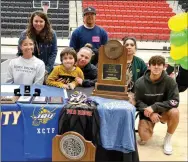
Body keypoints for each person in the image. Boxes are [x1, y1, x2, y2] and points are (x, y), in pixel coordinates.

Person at [135, 55, 179, 155]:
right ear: (149, 66)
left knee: (175, 112)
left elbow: (175, 101)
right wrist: (150, 113)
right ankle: (148, 129)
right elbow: (138, 101)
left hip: (163, 112)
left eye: (159, 64)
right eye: (153, 64)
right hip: (147, 113)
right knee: (144, 138)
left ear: (164, 67)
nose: (156, 67)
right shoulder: (140, 82)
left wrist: (154, 107)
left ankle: (167, 139)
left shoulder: (170, 81)